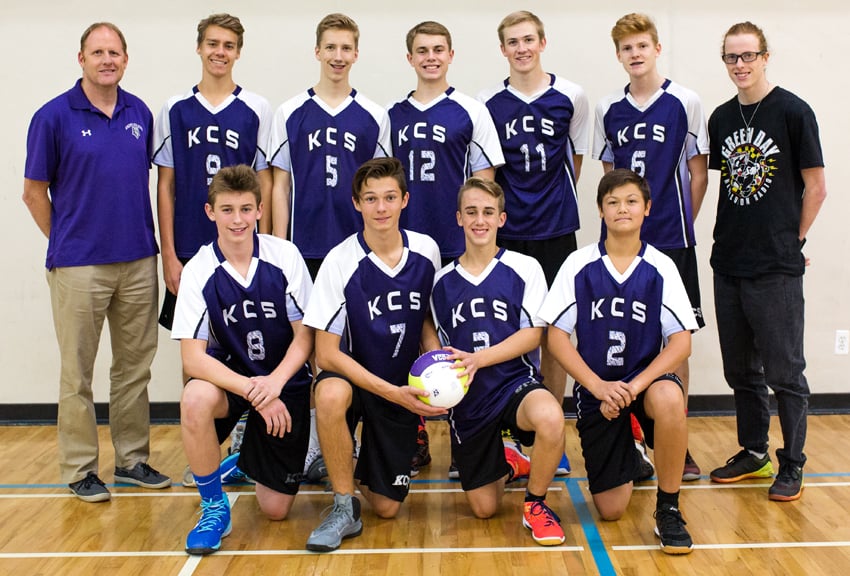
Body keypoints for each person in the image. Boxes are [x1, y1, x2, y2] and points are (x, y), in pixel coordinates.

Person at [22, 22, 170, 502]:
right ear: (81, 58)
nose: (107, 60)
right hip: (79, 265)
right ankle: (81, 467)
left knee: (133, 369)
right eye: (97, 52)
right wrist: (67, 237)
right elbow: (33, 193)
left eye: (115, 53)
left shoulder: (139, 113)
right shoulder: (53, 116)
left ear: (125, 60)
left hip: (138, 262)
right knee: (77, 373)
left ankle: (132, 460)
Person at [538, 169, 698, 555]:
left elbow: (681, 343)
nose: (622, 209)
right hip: (599, 389)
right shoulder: (578, 264)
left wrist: (634, 387)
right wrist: (597, 387)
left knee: (670, 400)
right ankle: (631, 453)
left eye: (630, 201)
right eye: (612, 202)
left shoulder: (661, 267)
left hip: (643, 386)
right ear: (600, 210)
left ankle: (669, 508)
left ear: (647, 208)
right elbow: (556, 337)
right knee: (611, 510)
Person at [706, 22, 826, 502]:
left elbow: (815, 187)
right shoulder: (721, 118)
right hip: (728, 260)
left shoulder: (794, 112)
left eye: (748, 56)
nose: (740, 65)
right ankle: (753, 451)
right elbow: (732, 184)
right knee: (740, 370)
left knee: (785, 372)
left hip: (775, 265)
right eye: (731, 58)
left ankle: (791, 462)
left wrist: (792, 240)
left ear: (764, 56)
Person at [268, 13, 391, 482]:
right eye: (330, 48)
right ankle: (309, 445)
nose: (338, 56)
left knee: (352, 345)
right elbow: (279, 184)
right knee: (307, 347)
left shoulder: (373, 115)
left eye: (346, 48)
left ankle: (349, 440)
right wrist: (280, 247)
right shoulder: (290, 112)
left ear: (356, 54)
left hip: (356, 250)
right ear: (317, 51)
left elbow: (382, 188)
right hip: (305, 248)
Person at [302, 157, 444, 553]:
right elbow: (325, 354)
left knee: (386, 508)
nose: (380, 208)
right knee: (329, 394)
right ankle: (343, 506)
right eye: (370, 199)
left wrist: (440, 373)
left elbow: (426, 322)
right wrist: (388, 390)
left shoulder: (427, 252)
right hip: (352, 376)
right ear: (356, 203)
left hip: (400, 385)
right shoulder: (339, 261)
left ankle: (347, 456)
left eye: (389, 198)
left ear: (404, 200)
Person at [173, 165, 314, 555]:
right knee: (195, 397)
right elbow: (192, 360)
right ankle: (213, 507)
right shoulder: (199, 270)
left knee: (275, 510)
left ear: (259, 210)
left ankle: (245, 459)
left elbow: (306, 335)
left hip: (283, 380)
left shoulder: (284, 256)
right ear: (210, 211)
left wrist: (275, 385)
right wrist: (256, 392)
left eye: (246, 209)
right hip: (236, 382)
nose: (237, 219)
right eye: (227, 209)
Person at [593, 12, 708, 481]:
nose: (635, 54)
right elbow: (609, 177)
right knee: (620, 332)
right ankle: (630, 434)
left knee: (677, 341)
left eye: (642, 45)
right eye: (626, 48)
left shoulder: (685, 101)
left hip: (672, 238)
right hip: (622, 244)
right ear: (618, 55)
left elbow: (698, 172)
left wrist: (680, 223)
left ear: (656, 48)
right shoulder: (608, 108)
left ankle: (674, 443)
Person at [388, 20, 504, 476]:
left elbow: (485, 182)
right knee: (412, 334)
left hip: (457, 242)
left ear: (451, 55)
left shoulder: (470, 110)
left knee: (461, 340)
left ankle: (467, 436)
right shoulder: (392, 115)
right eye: (422, 50)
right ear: (410, 57)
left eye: (439, 49)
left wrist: (479, 238)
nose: (431, 57)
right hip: (409, 243)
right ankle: (416, 434)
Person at [479, 10, 591, 477]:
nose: (521, 48)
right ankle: (510, 432)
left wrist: (550, 204)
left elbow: (577, 160)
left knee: (555, 336)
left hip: (556, 230)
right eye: (512, 41)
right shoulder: (487, 103)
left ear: (542, 42)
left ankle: (551, 437)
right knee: (508, 333)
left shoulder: (571, 96)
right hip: (508, 232)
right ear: (502, 49)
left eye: (528, 39)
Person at [429, 177, 566, 546]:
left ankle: (536, 504)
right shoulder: (441, 282)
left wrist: (479, 359)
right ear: (458, 218)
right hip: (469, 400)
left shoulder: (525, 268)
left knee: (551, 417)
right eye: (471, 212)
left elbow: (533, 333)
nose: (480, 220)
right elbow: (435, 340)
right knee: (484, 508)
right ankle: (508, 460)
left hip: (513, 385)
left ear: (502, 219)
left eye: (488, 212)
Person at [154, 13, 273, 331]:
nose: (220, 52)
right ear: (199, 48)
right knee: (194, 341)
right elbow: (165, 185)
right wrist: (169, 254)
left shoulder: (257, 107)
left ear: (238, 52)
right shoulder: (174, 108)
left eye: (228, 45)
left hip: (242, 244)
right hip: (189, 244)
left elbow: (266, 182)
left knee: (245, 335)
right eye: (213, 44)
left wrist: (269, 245)